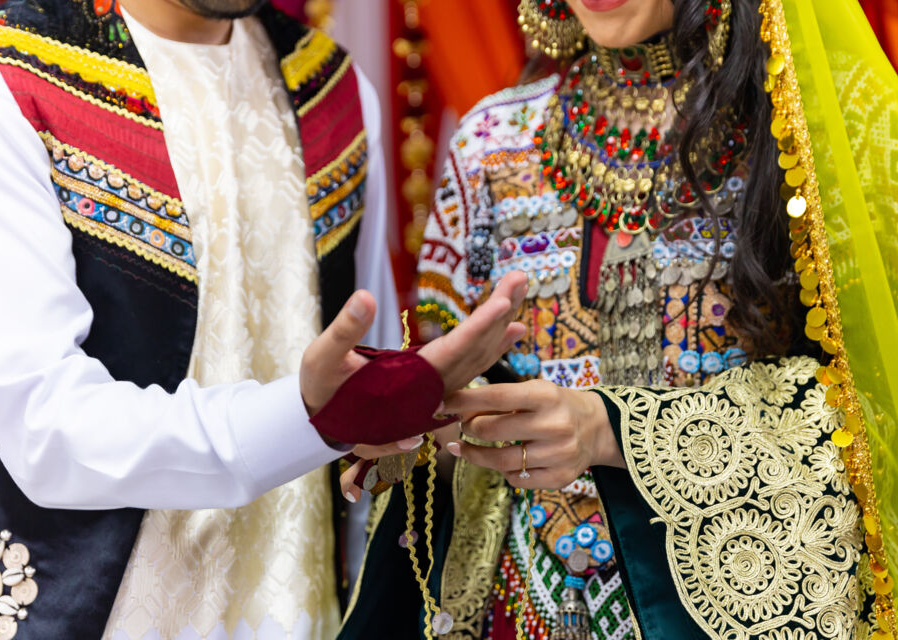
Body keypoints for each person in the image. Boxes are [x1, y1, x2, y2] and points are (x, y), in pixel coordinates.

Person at [0, 1, 529, 638]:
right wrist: (309, 416)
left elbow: (368, 381)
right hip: (78, 611)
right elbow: (44, 428)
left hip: (305, 611)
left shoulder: (330, 87)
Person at [339, 0, 898, 639]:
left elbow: (880, 408)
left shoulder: (819, 125)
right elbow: (449, 401)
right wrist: (404, 429)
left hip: (730, 603)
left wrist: (619, 432)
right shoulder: (491, 145)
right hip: (527, 604)